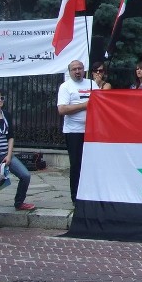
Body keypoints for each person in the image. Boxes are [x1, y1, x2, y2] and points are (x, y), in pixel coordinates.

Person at [0, 88, 38, 231]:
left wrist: (9, 154)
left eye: (1, 98)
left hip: (7, 155)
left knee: (25, 175)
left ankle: (19, 202)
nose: (0, 101)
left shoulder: (6, 115)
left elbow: (11, 136)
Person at [57, 60, 97, 205]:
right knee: (76, 164)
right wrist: (84, 105)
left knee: (91, 164)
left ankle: (91, 193)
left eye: (80, 68)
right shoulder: (66, 87)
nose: (78, 71)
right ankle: (76, 197)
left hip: (91, 131)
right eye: (74, 69)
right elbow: (62, 109)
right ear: (70, 71)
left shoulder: (91, 84)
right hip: (74, 131)